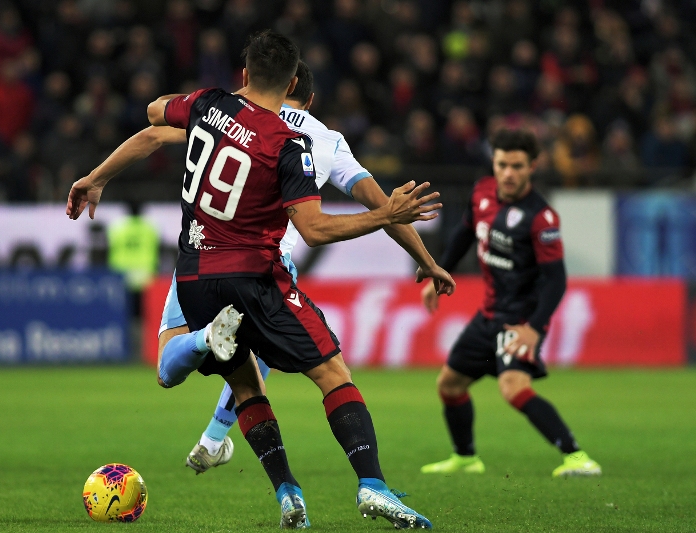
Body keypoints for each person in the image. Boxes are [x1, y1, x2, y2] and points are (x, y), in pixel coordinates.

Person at [68, 31, 454, 529]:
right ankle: (373, 486)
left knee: (244, 383)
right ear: (298, 85)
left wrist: (96, 176)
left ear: (244, 74)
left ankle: (288, 493)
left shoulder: (208, 104)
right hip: (257, 275)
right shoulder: (304, 143)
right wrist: (407, 239)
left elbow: (153, 116)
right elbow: (316, 229)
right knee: (333, 374)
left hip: (195, 276)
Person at [418, 128, 601, 478]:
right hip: (488, 314)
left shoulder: (541, 218)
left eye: (517, 166)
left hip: (520, 319)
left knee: (513, 387)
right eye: (502, 164)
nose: (508, 173)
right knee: (449, 385)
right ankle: (466, 458)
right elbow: (465, 233)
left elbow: (556, 280)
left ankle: (577, 457)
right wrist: (437, 272)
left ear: (532, 166)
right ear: (494, 163)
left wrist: (534, 328)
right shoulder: (482, 192)